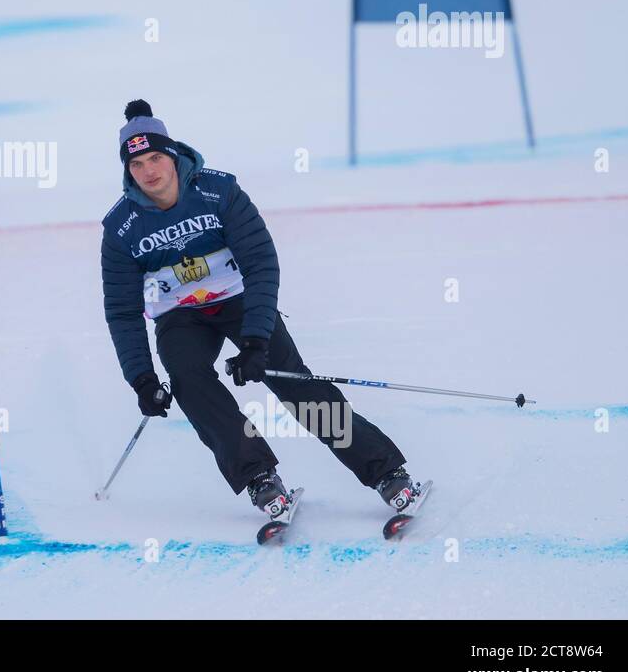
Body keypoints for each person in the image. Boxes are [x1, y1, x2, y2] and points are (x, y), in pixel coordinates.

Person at [100, 99, 417, 520]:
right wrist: (141, 379)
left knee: (294, 384)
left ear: (173, 155)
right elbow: (122, 312)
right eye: (137, 164)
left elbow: (261, 264)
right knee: (189, 382)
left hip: (239, 299)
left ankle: (386, 471)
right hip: (180, 313)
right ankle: (259, 478)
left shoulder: (219, 192)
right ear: (128, 171)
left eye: (155, 157)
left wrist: (255, 340)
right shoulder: (121, 228)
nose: (149, 171)